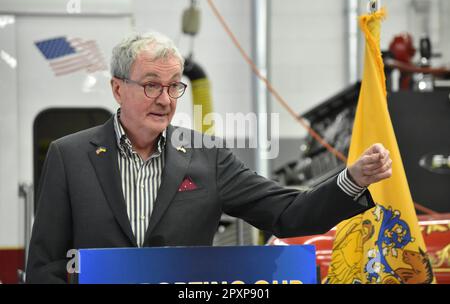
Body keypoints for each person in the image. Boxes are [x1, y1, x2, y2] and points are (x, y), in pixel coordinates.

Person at [26, 32, 392, 283]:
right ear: (118, 88)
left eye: (174, 86)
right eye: (152, 84)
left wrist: (352, 179)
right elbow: (46, 264)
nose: (166, 99)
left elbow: (286, 213)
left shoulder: (207, 157)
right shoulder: (69, 156)